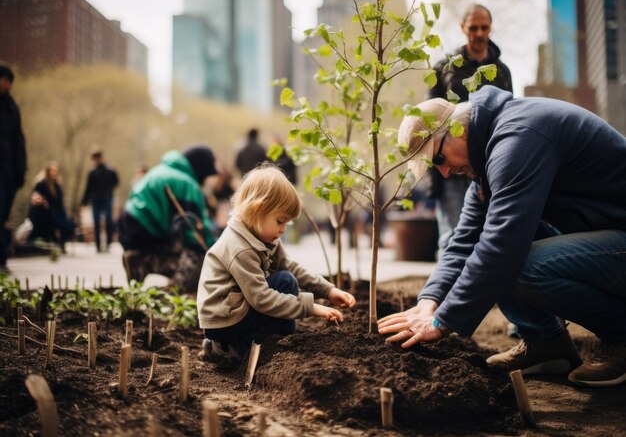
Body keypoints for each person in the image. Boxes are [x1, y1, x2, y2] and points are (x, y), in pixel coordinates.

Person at [379, 86, 626, 388]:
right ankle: (545, 343)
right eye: (435, 166)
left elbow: (502, 246)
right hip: (608, 236)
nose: (443, 173)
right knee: (497, 252)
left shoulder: (518, 139)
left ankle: (621, 337)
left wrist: (443, 322)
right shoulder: (486, 164)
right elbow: (463, 243)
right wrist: (429, 302)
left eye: (439, 158)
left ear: (456, 129)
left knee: (519, 265)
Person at [197, 165, 356, 361]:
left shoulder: (265, 236)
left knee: (286, 280)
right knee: (284, 283)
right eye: (280, 221)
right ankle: (237, 350)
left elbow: (289, 266)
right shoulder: (240, 248)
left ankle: (273, 344)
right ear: (256, 210)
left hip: (237, 311)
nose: (283, 229)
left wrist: (327, 290)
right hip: (224, 319)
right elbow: (261, 299)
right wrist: (312, 307)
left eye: (286, 223)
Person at [426, 4, 513, 258]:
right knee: (451, 238)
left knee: (489, 235)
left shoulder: (502, 71)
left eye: (484, 27)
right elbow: (429, 124)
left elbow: (509, 117)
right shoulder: (444, 68)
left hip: (488, 167)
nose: (479, 32)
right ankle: (445, 295)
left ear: (490, 28)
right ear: (462, 28)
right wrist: (434, 179)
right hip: (451, 174)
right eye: (473, 27)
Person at [118, 145, 219, 293]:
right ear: (201, 169)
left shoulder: (159, 171)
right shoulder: (187, 183)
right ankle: (173, 293)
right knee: (198, 258)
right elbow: (196, 231)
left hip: (130, 228)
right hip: (148, 229)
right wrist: (215, 251)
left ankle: (140, 260)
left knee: (178, 248)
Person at [0, 64, 27, 271]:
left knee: (3, 216)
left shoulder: (11, 107)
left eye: (9, 80)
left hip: (8, 171)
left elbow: (18, 140)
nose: (6, 83)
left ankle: (2, 259)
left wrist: (20, 170)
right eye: (3, 79)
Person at [27, 161, 77, 251]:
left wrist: (66, 212)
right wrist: (41, 201)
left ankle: (62, 242)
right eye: (52, 171)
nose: (53, 174)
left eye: (55, 171)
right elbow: (35, 197)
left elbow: (60, 202)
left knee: (69, 223)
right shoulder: (41, 184)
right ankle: (53, 241)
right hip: (46, 211)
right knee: (52, 220)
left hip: (58, 211)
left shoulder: (57, 185)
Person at [81, 147, 119, 253]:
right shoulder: (92, 172)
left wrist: (109, 190)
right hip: (96, 200)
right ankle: (98, 245)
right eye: (94, 157)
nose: (96, 159)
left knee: (109, 222)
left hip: (107, 198)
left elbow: (116, 182)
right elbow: (88, 188)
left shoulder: (111, 170)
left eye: (98, 157)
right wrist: (84, 201)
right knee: (96, 222)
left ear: (101, 157)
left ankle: (107, 244)